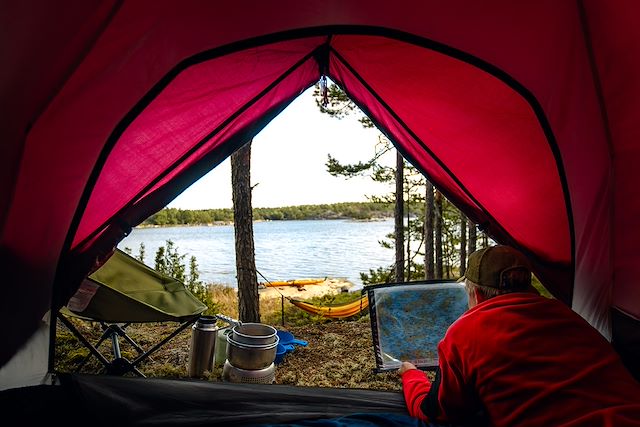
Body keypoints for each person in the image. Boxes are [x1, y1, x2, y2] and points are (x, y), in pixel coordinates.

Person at [399, 245, 640, 427]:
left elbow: (436, 412)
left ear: (476, 294)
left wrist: (411, 375)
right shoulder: (565, 314)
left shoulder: (465, 333)